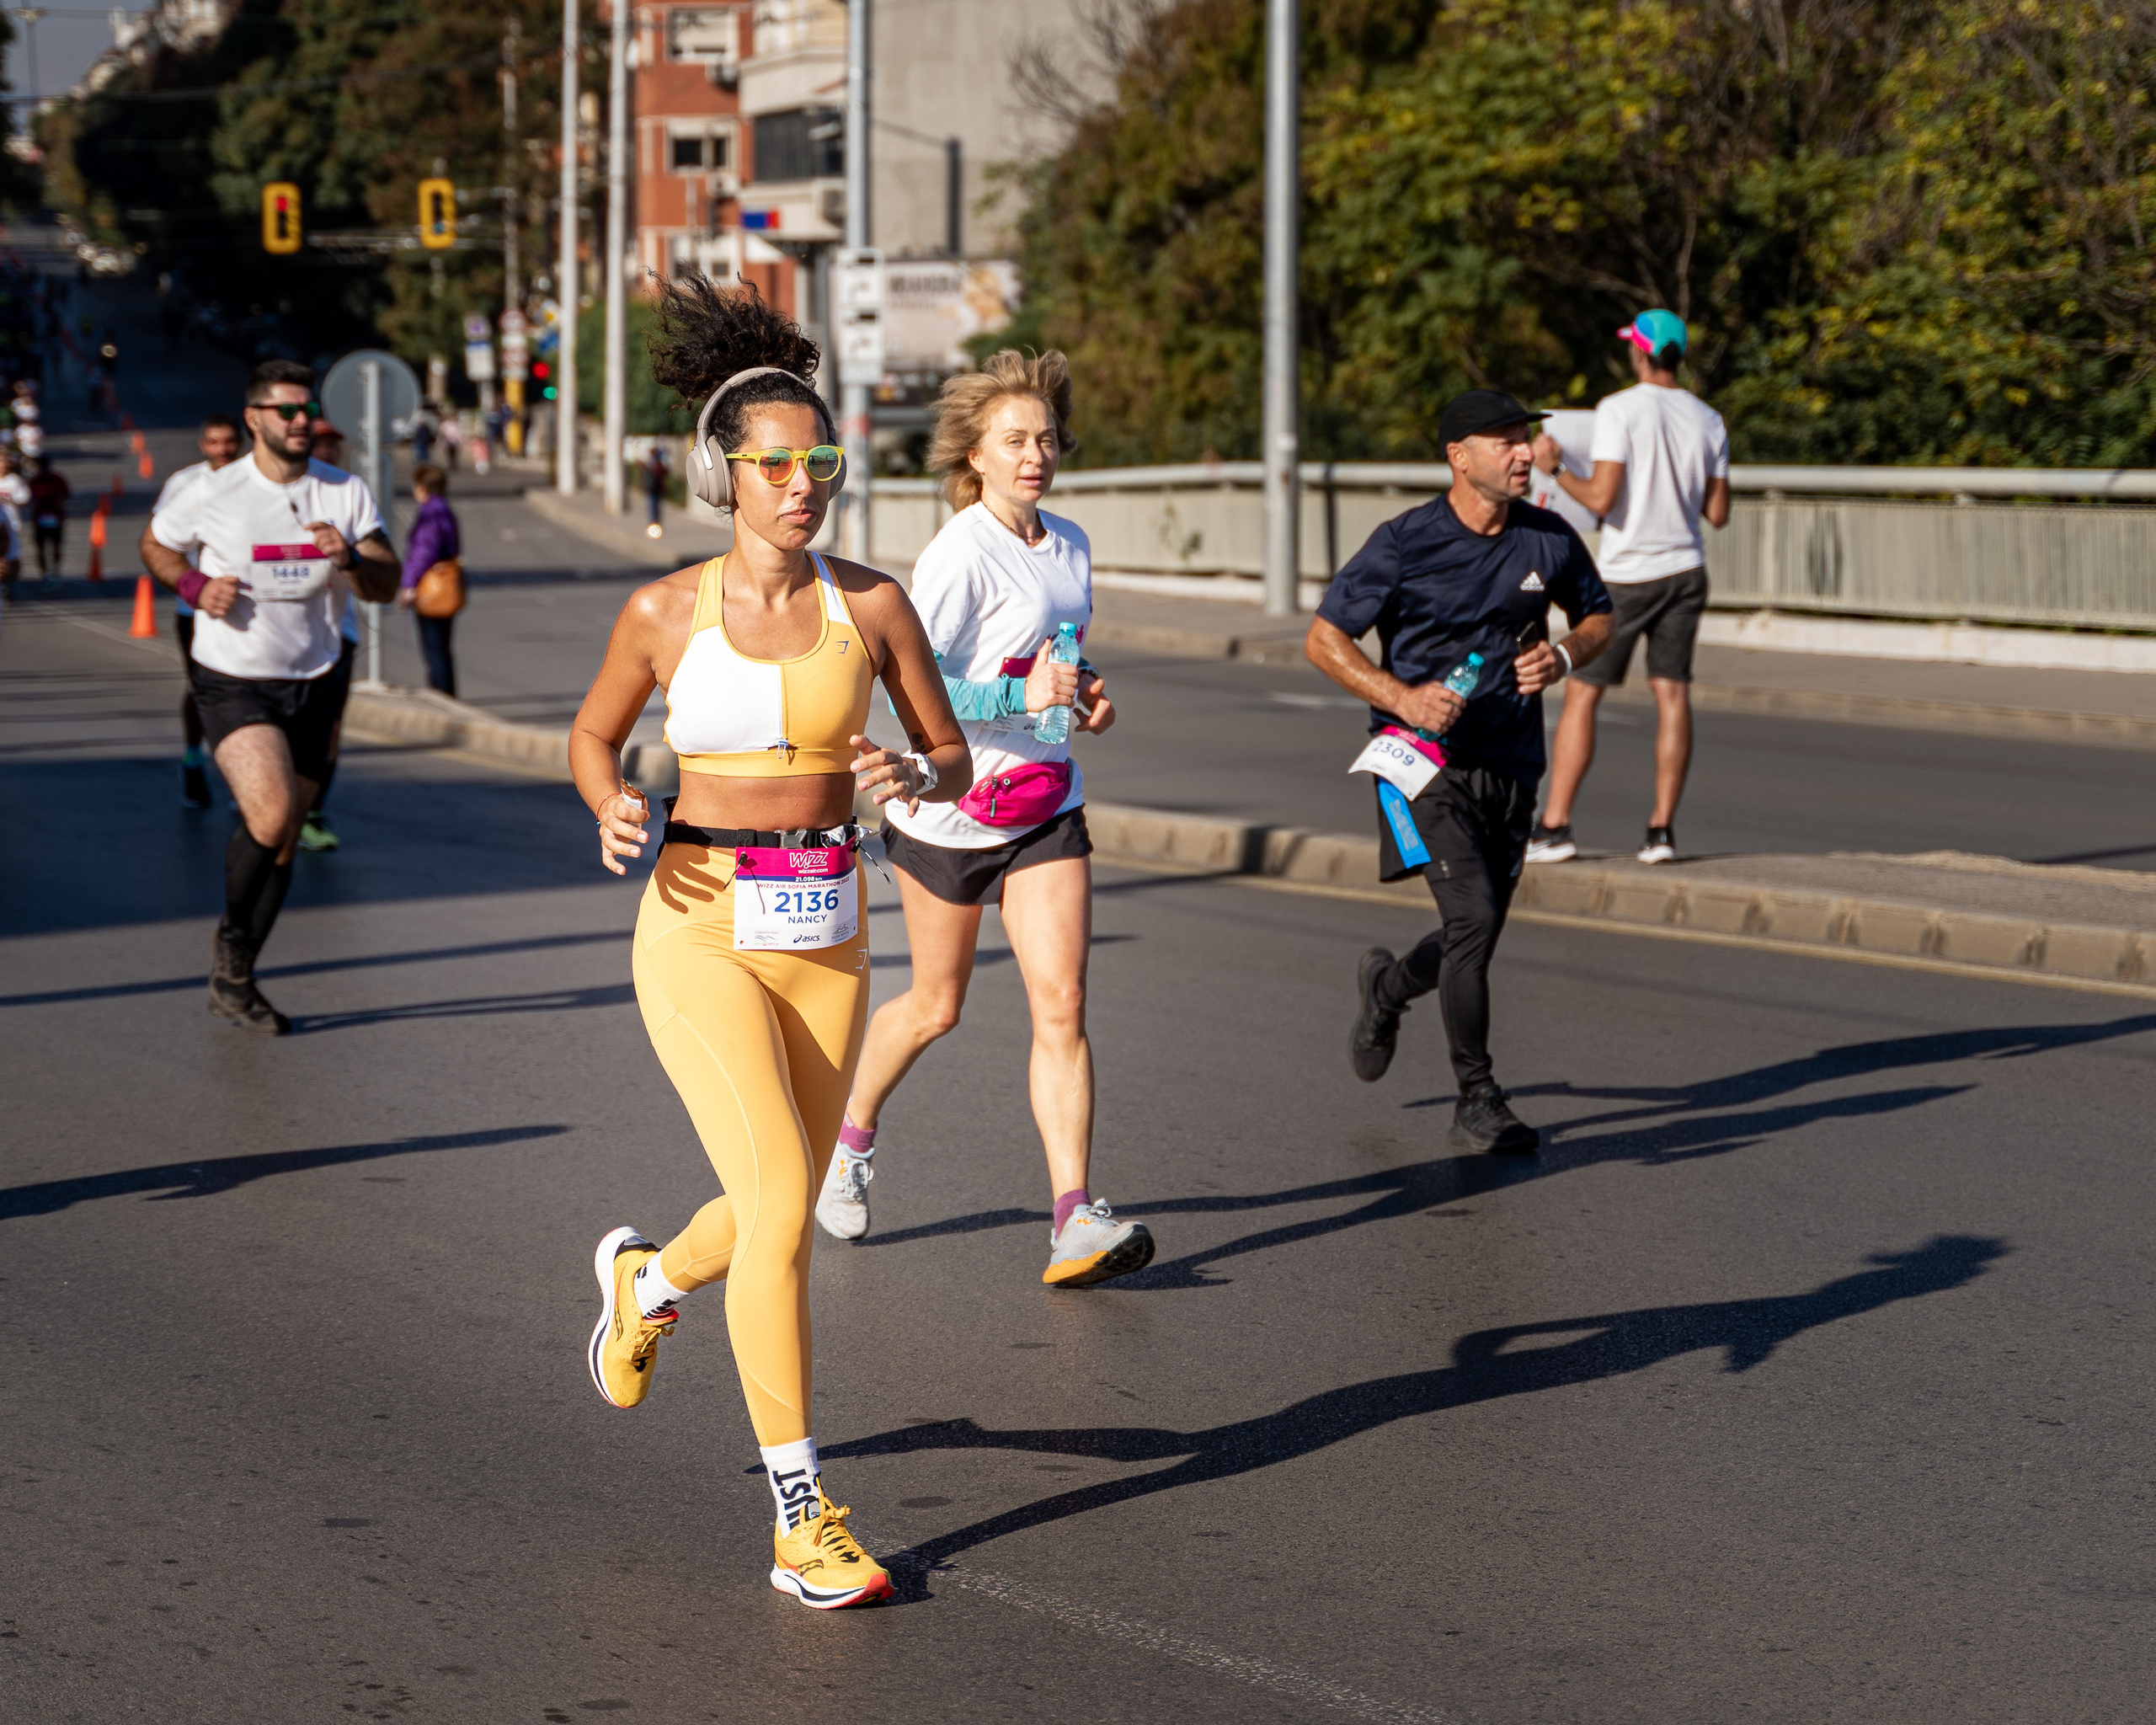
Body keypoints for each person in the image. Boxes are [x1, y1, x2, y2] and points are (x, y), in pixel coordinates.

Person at [568, 275, 969, 1609]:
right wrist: (610, 798)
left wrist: (911, 773)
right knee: (788, 1207)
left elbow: (952, 752)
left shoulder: (877, 604)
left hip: (828, 928)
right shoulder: (664, 613)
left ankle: (649, 1280)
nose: (805, 487)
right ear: (722, 476)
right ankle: (802, 1515)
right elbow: (592, 735)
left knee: (770, 1197)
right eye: (777, 466)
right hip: (698, 927)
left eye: (822, 465)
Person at [812, 351, 1146, 1287]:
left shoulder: (1070, 543)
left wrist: (1083, 695)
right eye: (1014, 440)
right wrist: (1014, 693)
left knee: (1062, 1002)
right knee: (936, 1005)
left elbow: (1056, 654)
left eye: (1046, 438)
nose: (1035, 454)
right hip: (950, 813)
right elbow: (911, 683)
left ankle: (1073, 1217)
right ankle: (849, 1141)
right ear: (975, 454)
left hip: (1044, 803)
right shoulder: (958, 553)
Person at [1305, 389, 1614, 1154]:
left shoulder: (1548, 538)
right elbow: (1324, 639)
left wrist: (1563, 655)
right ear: (1459, 457)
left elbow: (1599, 617)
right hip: (1419, 763)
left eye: (1526, 439)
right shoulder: (1404, 543)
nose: (1525, 452)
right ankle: (1478, 1098)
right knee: (1472, 920)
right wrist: (1401, 697)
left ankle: (1388, 988)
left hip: (1513, 761)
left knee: (1474, 932)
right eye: (1506, 440)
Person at [138, 360, 399, 1033]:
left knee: (283, 840)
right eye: (287, 410)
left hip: (316, 675)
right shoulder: (210, 490)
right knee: (274, 811)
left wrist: (349, 559)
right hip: (232, 675)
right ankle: (231, 942)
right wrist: (194, 587)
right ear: (255, 418)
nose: (301, 420)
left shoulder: (343, 491)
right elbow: (156, 545)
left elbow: (385, 583)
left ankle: (238, 976)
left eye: (306, 409)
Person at [1527, 310, 1731, 866]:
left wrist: (1554, 467)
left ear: (1639, 352)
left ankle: (1555, 825)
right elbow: (1718, 513)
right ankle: (1661, 832)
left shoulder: (1618, 409)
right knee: (1673, 694)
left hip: (1628, 573)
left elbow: (1600, 497)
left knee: (1583, 692)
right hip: (1686, 570)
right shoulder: (1709, 418)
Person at [150, 413, 246, 809]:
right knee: (204, 687)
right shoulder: (185, 483)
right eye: (214, 442)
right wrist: (191, 585)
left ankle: (244, 778)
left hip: (249, 606)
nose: (223, 450)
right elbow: (158, 543)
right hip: (195, 609)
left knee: (249, 691)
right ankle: (193, 758)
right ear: (203, 446)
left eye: (229, 442)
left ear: (241, 442)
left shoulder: (259, 479)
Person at [296, 419, 360, 853]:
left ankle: (313, 811)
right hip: (282, 635)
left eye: (334, 445)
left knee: (330, 729)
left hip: (339, 633)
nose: (328, 451)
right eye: (321, 444)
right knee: (287, 729)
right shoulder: (281, 496)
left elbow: (377, 563)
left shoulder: (349, 496)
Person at [397, 463, 460, 695]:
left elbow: (423, 552)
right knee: (443, 647)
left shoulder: (431, 513)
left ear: (423, 486)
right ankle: (447, 693)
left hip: (431, 585)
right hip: (447, 582)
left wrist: (409, 585)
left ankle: (441, 696)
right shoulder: (444, 509)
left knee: (434, 649)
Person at [28, 454, 68, 580]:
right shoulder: (53, 479)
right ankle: (49, 572)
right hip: (48, 516)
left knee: (50, 546)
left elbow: (30, 498)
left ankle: (50, 572)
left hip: (48, 516)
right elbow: (66, 495)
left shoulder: (37, 480)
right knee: (47, 546)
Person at [641, 441, 669, 538]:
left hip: (653, 489)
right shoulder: (656, 463)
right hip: (653, 489)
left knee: (653, 507)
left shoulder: (653, 463)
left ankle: (654, 524)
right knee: (654, 507)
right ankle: (655, 524)